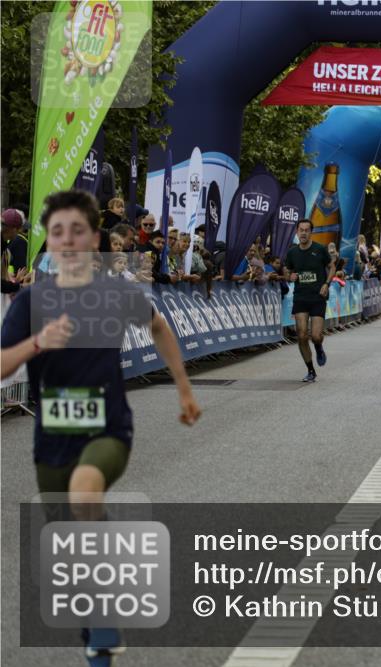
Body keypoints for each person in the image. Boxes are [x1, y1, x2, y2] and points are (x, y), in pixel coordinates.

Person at [0, 190, 201, 665]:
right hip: (52, 438)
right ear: (48, 242)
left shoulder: (116, 293)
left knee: (86, 494)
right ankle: (99, 635)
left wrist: (184, 389)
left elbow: (159, 329)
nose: (68, 240)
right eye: (58, 232)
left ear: (95, 239)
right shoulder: (31, 302)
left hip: (108, 428)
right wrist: (37, 344)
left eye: (78, 231)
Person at [285, 220, 335, 383]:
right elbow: (287, 270)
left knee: (315, 335)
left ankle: (319, 348)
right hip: (300, 296)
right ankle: (310, 370)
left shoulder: (320, 249)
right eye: (301, 230)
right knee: (301, 335)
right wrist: (289, 276)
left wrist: (327, 284)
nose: (304, 233)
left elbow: (332, 267)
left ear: (311, 232)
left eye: (307, 230)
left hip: (317, 297)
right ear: (297, 232)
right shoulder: (292, 252)